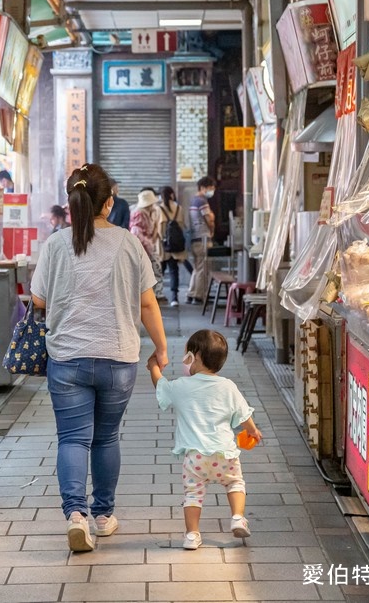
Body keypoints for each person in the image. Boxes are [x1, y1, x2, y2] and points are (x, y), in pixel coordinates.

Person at [31, 162, 169, 552]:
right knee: (106, 437)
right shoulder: (127, 242)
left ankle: (76, 516)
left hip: (68, 357)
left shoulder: (57, 243)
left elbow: (38, 300)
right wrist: (161, 348)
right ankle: (104, 516)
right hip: (118, 357)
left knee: (73, 439)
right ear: (109, 202)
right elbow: (147, 303)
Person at [148, 329, 263, 550]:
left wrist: (153, 366)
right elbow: (243, 415)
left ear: (196, 356)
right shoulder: (228, 386)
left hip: (195, 458)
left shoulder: (182, 386)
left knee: (193, 494)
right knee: (235, 482)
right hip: (225, 454)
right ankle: (238, 517)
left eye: (187, 354)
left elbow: (161, 385)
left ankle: (192, 535)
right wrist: (253, 431)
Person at [160, 186, 193, 307]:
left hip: (163, 246)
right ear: (172, 195)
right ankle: (174, 298)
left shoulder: (159, 208)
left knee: (160, 271)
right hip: (176, 244)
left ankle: (157, 295)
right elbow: (184, 225)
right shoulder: (178, 208)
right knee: (174, 271)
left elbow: (158, 229)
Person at [129, 188, 164, 299]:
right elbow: (135, 232)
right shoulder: (138, 213)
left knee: (154, 271)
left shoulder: (152, 211)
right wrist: (147, 243)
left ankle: (154, 294)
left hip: (149, 247)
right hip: (143, 248)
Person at [186, 176, 216, 304]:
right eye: (211, 188)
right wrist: (212, 229)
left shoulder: (193, 201)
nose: (212, 191)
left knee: (197, 268)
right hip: (203, 238)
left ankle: (191, 293)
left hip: (194, 239)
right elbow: (209, 219)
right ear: (203, 187)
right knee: (203, 268)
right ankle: (199, 296)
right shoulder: (202, 201)